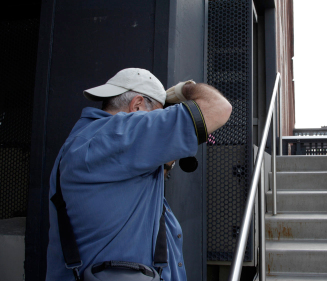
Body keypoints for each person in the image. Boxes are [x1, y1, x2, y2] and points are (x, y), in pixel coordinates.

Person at [46, 68, 232, 280]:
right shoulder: (120, 132)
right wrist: (184, 89)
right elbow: (218, 108)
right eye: (158, 113)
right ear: (137, 105)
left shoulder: (86, 140)